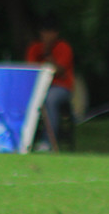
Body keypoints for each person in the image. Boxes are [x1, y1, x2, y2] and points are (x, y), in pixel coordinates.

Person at [24, 13, 75, 151]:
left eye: (50, 32)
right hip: (37, 88)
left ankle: (48, 142)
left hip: (61, 87)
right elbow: (30, 71)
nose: (46, 35)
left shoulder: (63, 47)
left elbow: (59, 70)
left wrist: (47, 54)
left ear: (56, 33)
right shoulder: (34, 48)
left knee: (50, 99)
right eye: (44, 32)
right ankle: (23, 140)